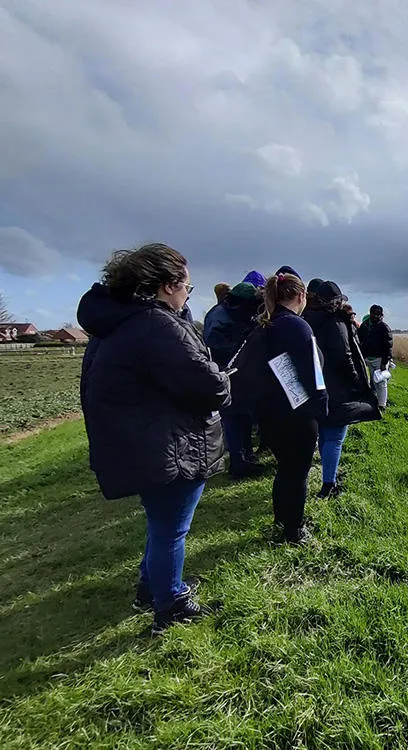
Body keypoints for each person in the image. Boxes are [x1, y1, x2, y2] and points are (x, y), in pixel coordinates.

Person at [77, 243, 230, 635]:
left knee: (161, 523)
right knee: (171, 530)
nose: (186, 297)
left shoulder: (117, 322)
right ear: (166, 286)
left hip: (140, 441)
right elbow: (208, 386)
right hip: (166, 446)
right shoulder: (156, 325)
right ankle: (171, 605)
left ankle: (152, 587)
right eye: (187, 289)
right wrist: (223, 379)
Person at [257, 273, 328, 544]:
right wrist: (321, 408)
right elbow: (314, 374)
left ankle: (281, 518)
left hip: (271, 409)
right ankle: (294, 530)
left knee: (284, 468)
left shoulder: (267, 323)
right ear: (301, 297)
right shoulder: (298, 327)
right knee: (298, 472)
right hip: (298, 412)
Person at [303, 281, 381, 498]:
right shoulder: (334, 323)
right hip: (339, 386)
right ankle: (329, 484)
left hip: (317, 385)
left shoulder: (306, 319)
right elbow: (344, 356)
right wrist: (357, 381)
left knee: (325, 433)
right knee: (336, 437)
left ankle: (327, 478)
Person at [204, 282, 266, 479]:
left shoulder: (229, 311)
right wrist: (240, 345)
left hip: (237, 372)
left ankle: (245, 458)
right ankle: (238, 463)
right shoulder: (222, 315)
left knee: (242, 417)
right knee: (233, 418)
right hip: (227, 372)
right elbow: (214, 343)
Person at [359, 304, 393, 408]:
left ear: (381, 315)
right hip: (368, 358)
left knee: (381, 382)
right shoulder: (364, 326)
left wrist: (384, 362)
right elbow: (361, 341)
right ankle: (375, 400)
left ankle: (382, 404)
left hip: (379, 359)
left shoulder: (384, 327)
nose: (376, 316)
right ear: (370, 313)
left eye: (378, 314)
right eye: (374, 313)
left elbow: (388, 346)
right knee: (373, 381)